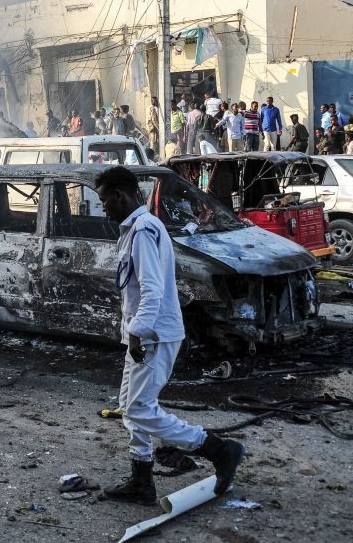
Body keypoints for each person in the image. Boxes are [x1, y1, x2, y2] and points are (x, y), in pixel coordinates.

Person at [94, 166, 245, 504]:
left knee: (139, 410)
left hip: (154, 334)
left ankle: (219, 450)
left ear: (120, 196)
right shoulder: (137, 228)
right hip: (143, 332)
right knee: (131, 406)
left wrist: (138, 332)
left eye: (104, 201)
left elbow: (152, 290)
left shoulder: (144, 230)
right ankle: (142, 480)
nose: (103, 207)